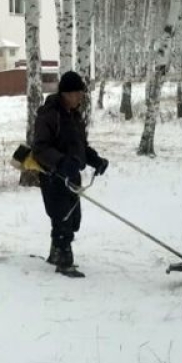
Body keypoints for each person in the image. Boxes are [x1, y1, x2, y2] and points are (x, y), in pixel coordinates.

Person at [32, 71, 109, 278]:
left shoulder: (75, 116)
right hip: (53, 176)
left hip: (72, 175)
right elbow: (40, 148)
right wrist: (60, 162)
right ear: (66, 93)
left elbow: (81, 146)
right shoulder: (49, 114)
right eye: (76, 93)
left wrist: (96, 160)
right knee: (62, 218)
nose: (80, 97)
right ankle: (64, 261)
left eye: (81, 93)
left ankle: (55, 251)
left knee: (74, 219)